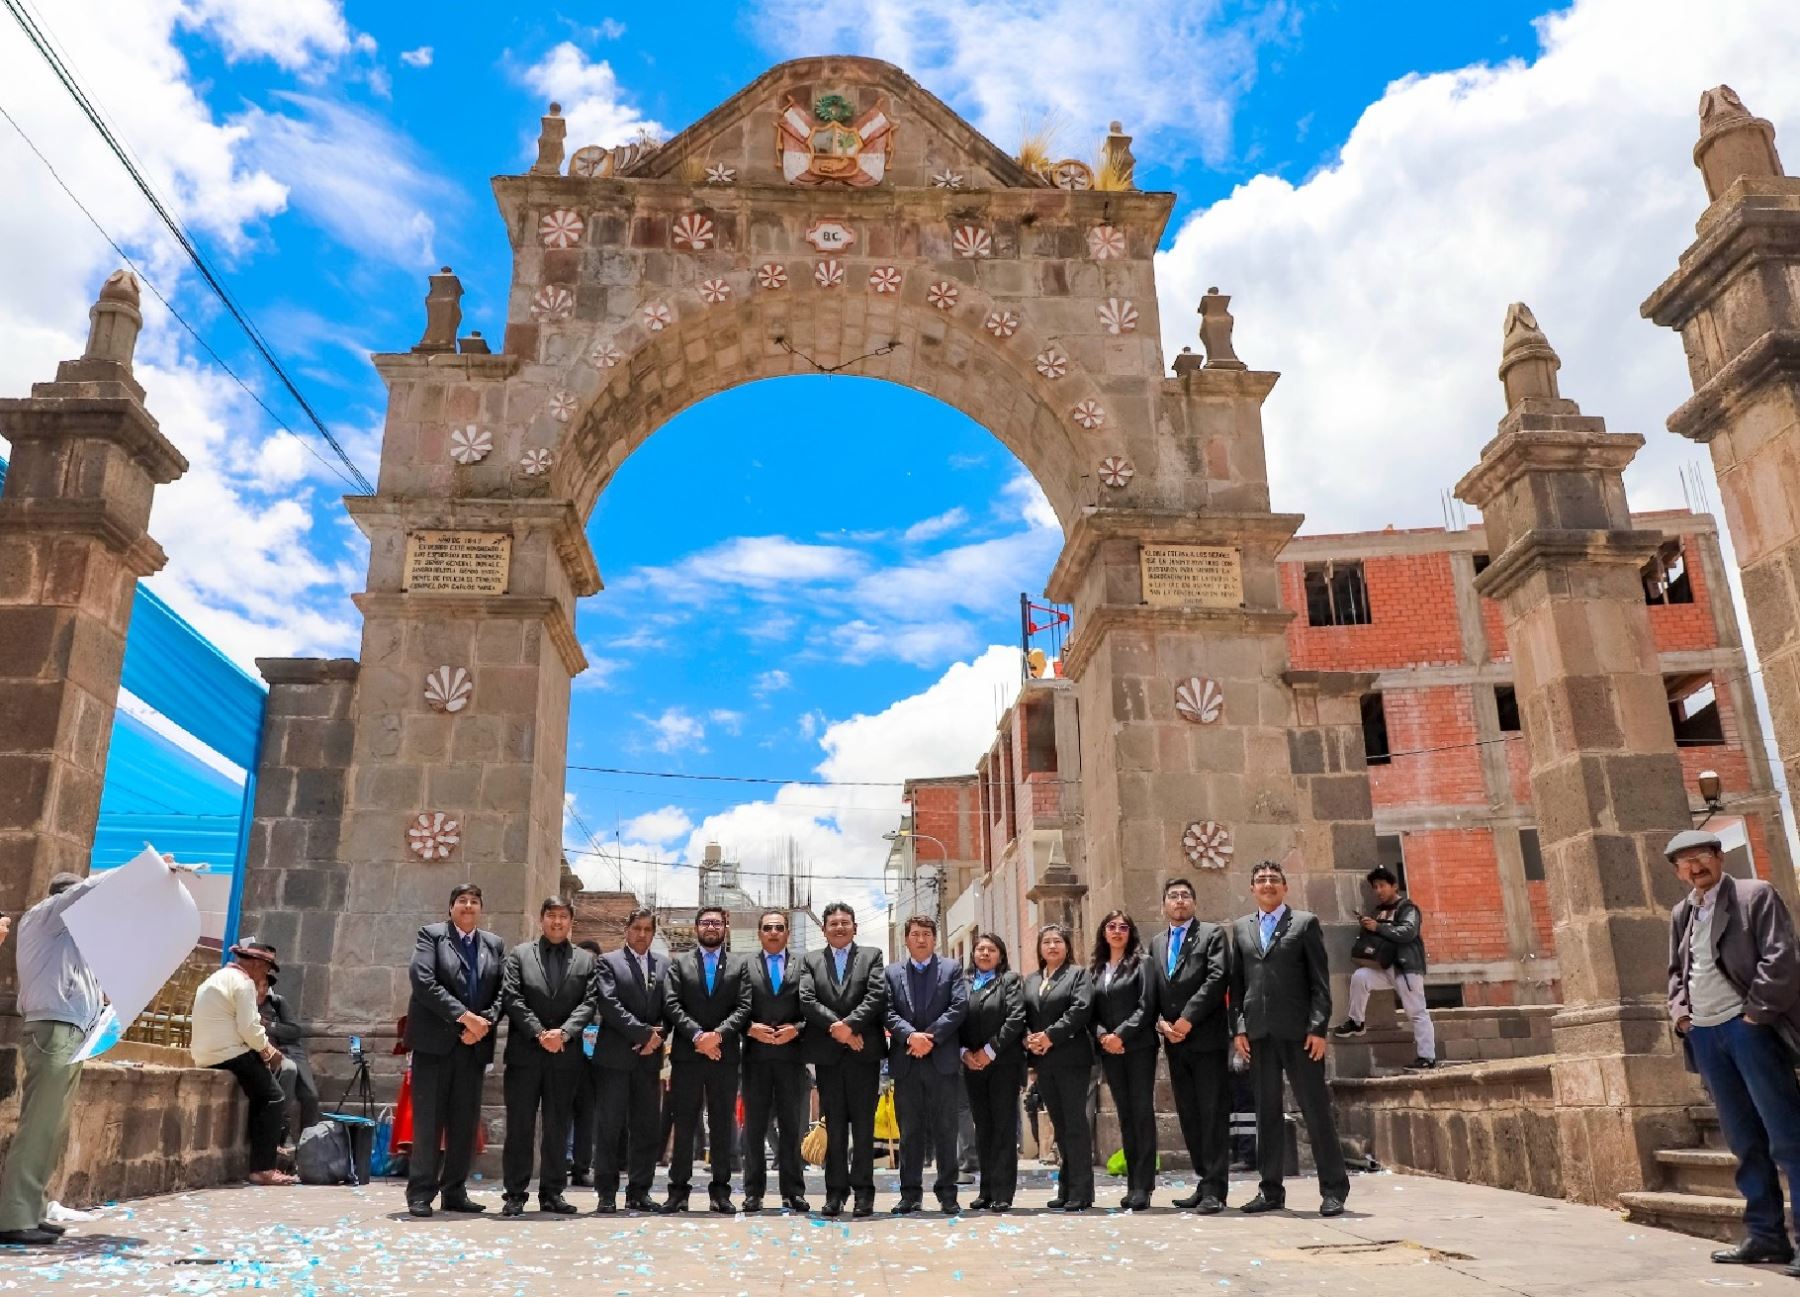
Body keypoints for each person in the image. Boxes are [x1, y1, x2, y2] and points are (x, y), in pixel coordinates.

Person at [1665, 828, 1800, 1272]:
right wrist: (1682, 1015)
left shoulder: (1754, 895)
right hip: (1706, 1036)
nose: (1695, 867)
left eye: (1701, 856)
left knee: (1787, 1136)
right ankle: (1765, 1237)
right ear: (1678, 871)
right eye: (1684, 863)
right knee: (1744, 1140)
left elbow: (1781, 957)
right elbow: (1675, 973)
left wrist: (1755, 1014)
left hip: (1749, 1029)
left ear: (1719, 856)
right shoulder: (1682, 913)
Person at [1231, 862, 1349, 1217]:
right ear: (1252, 888)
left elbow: (1320, 983)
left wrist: (1318, 1028)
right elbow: (1237, 985)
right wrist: (1239, 1027)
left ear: (1284, 888)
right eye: (1261, 880)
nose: (1267, 885)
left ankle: (1333, 1190)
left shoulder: (1304, 923)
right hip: (1259, 1035)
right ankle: (1270, 1190)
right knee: (1265, 1113)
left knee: (1315, 1111)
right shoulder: (1240, 929)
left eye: (1274, 880)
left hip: (1300, 1034)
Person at [0, 872, 107, 1245]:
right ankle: (14, 1215)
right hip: (55, 1031)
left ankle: (35, 1207)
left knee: (54, 1129)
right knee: (40, 1125)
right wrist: (142, 869)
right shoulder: (46, 915)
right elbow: (88, 890)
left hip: (74, 1033)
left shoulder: (75, 943)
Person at [404, 882, 506, 1218]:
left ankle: (455, 1190)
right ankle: (421, 1193)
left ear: (481, 908)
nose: (467, 906)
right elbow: (423, 979)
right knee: (429, 1123)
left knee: (464, 1123)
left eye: (474, 901)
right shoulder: (431, 936)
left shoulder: (493, 944)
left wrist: (484, 1024)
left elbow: (503, 991)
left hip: (473, 1047)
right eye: (461, 900)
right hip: (436, 1044)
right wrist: (464, 1019)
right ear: (451, 907)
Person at [499, 897, 596, 1218]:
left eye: (563, 917)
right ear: (542, 919)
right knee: (520, 1126)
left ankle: (552, 1192)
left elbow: (589, 1003)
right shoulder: (520, 955)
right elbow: (512, 997)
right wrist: (540, 1033)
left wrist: (564, 1033)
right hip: (526, 1054)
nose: (557, 922)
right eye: (551, 916)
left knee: (557, 1125)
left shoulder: (585, 961)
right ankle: (515, 1193)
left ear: (571, 922)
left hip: (565, 1056)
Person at [798, 900, 887, 1218]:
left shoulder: (871, 956)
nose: (839, 927)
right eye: (833, 923)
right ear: (824, 929)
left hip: (864, 1053)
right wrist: (836, 1027)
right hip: (828, 1056)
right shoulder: (810, 961)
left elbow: (876, 995)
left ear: (854, 927)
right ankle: (834, 1193)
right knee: (833, 1126)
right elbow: (806, 999)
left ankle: (864, 1194)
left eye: (845, 923)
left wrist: (850, 1027)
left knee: (863, 1128)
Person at [1148, 876, 1232, 1213]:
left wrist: (1187, 1019)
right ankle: (1203, 1179)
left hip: (1205, 1038)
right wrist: (1160, 1022)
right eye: (1173, 896)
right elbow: (1153, 986)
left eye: (1185, 895)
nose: (1179, 901)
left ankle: (1215, 1189)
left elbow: (1216, 979)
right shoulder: (1156, 942)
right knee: (1190, 1116)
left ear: (1194, 902)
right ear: (1164, 904)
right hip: (1173, 1042)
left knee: (1212, 1114)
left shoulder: (1211, 935)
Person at [662, 905, 752, 1213]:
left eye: (716, 922)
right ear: (696, 928)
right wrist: (699, 1036)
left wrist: (719, 1036)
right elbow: (672, 1004)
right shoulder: (680, 964)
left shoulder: (739, 965)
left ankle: (720, 1191)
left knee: (722, 1124)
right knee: (684, 1124)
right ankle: (677, 1191)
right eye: (705, 923)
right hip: (688, 1056)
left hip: (724, 1057)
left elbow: (743, 1007)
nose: (711, 927)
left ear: (725, 927)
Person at [190, 938, 297, 1187]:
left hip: (206, 1053)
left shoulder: (216, 978)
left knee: (261, 1090)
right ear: (257, 964)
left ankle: (265, 1152)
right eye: (266, 968)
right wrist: (269, 1051)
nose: (266, 975)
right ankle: (263, 1168)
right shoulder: (243, 983)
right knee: (274, 1097)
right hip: (229, 1053)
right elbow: (249, 1027)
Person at [884, 914, 968, 1214]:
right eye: (916, 934)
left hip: (941, 1061)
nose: (921, 939)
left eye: (927, 934)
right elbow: (888, 1012)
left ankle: (948, 1193)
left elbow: (959, 1006)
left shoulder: (951, 969)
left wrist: (928, 1038)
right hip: (907, 1063)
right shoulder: (891, 973)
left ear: (934, 938)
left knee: (946, 1129)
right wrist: (911, 1037)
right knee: (910, 1132)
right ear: (906, 939)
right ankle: (910, 1194)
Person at [591, 909, 667, 1214]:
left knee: (646, 1128)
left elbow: (671, 1006)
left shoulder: (664, 965)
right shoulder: (608, 963)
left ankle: (639, 1191)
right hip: (614, 1059)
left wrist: (657, 1037)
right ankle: (606, 1193)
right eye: (637, 928)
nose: (642, 935)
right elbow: (609, 1004)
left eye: (648, 929)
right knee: (610, 1128)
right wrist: (642, 1033)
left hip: (649, 1061)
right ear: (627, 929)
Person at [1331, 866, 1437, 1069]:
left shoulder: (1408, 908)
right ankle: (1356, 1022)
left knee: (1417, 1012)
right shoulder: (1378, 911)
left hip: (1405, 968)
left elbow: (1407, 932)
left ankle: (1427, 1057)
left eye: (1382, 886)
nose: (1378, 891)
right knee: (1360, 977)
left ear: (1394, 886)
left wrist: (1378, 927)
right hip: (1384, 967)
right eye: (1375, 887)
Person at [740, 908, 809, 1213]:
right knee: (754, 1129)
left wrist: (798, 1029)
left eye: (779, 927)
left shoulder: (803, 966)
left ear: (787, 933)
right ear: (759, 933)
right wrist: (749, 1028)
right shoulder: (745, 966)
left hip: (791, 1060)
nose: (773, 932)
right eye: (767, 928)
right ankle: (753, 1192)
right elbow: (736, 1007)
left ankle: (793, 1191)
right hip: (755, 1059)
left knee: (792, 1128)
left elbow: (812, 1008)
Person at [1023, 922, 1095, 1212]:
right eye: (1047, 942)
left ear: (1067, 946)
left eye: (1058, 941)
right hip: (1044, 1061)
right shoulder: (1030, 980)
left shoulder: (1078, 975)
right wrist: (1030, 1038)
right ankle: (1066, 1187)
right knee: (1060, 1127)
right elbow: (1023, 1014)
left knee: (1076, 1124)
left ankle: (1082, 1190)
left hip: (1072, 1059)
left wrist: (1050, 1036)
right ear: (1039, 949)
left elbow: (1080, 1009)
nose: (1052, 946)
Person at [1091, 910, 1157, 1210]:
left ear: (1130, 933)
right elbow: (1089, 1010)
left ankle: (1144, 1185)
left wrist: (1121, 1035)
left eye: (1123, 927)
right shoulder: (1096, 970)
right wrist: (1104, 1035)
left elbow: (1146, 1007)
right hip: (1110, 1051)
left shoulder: (1142, 964)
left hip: (1138, 1048)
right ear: (1104, 933)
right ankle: (1132, 1183)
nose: (1117, 931)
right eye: (1111, 927)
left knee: (1141, 1113)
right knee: (1125, 1115)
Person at [958, 932, 1025, 1212]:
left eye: (991, 950)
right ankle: (985, 1190)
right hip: (972, 1066)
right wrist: (964, 1052)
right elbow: (954, 1018)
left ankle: (1003, 1192)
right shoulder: (963, 983)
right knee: (983, 1129)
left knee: (1003, 1128)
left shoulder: (1010, 981)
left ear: (1001, 955)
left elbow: (1016, 1017)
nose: (985, 954)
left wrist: (990, 1050)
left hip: (1002, 1065)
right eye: (980, 949)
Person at [260, 974, 322, 1136]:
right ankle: (281, 1132)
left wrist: (269, 1025)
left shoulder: (277, 1002)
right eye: (258, 985)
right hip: (266, 1054)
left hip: (290, 1050)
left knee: (310, 1095)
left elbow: (295, 1031)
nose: (262, 990)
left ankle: (309, 1140)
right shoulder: (245, 1004)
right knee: (287, 1074)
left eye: (265, 986)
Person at [568, 939, 605, 1189]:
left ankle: (581, 1167)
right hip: (566, 1054)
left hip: (594, 1060)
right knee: (559, 1113)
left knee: (586, 1116)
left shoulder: (605, 985)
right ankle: (559, 1163)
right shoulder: (569, 982)